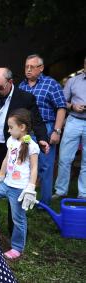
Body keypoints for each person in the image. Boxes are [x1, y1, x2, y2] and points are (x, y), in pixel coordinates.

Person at [0, 67, 49, 198]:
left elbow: (36, 121)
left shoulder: (25, 98)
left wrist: (42, 138)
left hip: (14, 148)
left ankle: (14, 218)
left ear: (10, 82)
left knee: (14, 189)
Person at [0, 109, 40, 260]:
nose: (8, 130)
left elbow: (34, 168)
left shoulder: (32, 146)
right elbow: (6, 159)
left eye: (10, 127)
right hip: (6, 184)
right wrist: (0, 177)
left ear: (22, 127)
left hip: (19, 189)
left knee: (18, 219)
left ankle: (17, 248)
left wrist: (30, 188)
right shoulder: (11, 141)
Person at [19, 54, 66, 205]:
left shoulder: (51, 84)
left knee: (45, 167)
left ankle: (44, 204)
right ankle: (22, 199)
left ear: (41, 68)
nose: (28, 70)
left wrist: (56, 131)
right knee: (24, 163)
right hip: (26, 129)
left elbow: (61, 107)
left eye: (32, 67)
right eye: (26, 66)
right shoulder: (22, 86)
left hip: (46, 128)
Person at [53, 57, 86, 199]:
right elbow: (62, 101)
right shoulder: (73, 81)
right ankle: (61, 191)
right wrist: (73, 106)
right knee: (65, 158)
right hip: (73, 121)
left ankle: (83, 193)